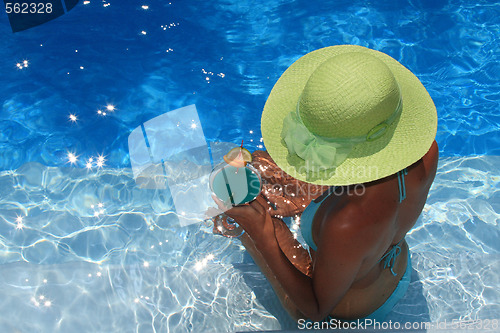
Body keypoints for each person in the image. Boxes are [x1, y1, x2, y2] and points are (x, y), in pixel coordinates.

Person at [213, 45, 439, 322]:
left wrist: (262, 234)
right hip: (390, 267)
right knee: (265, 168)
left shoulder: (347, 220)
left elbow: (315, 311)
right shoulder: (426, 152)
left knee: (237, 208)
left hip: (346, 307)